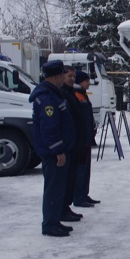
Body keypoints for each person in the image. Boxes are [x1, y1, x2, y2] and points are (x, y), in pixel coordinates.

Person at [30, 60, 76, 237]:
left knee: (58, 188)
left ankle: (55, 220)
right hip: (53, 154)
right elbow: (49, 129)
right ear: (56, 76)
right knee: (53, 189)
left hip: (56, 151)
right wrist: (58, 150)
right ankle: (50, 224)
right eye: (62, 75)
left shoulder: (53, 94)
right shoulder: (49, 98)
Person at [59, 66, 85, 223]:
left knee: (71, 178)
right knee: (66, 180)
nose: (72, 79)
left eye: (74, 76)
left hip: (75, 143)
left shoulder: (71, 93)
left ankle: (66, 207)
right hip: (69, 144)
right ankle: (62, 209)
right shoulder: (63, 94)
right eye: (69, 76)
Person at [72, 70, 99, 208]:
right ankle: (78, 196)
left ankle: (84, 194)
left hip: (86, 139)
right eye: (87, 81)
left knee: (85, 169)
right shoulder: (77, 95)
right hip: (81, 140)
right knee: (80, 170)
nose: (89, 83)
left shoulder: (82, 95)